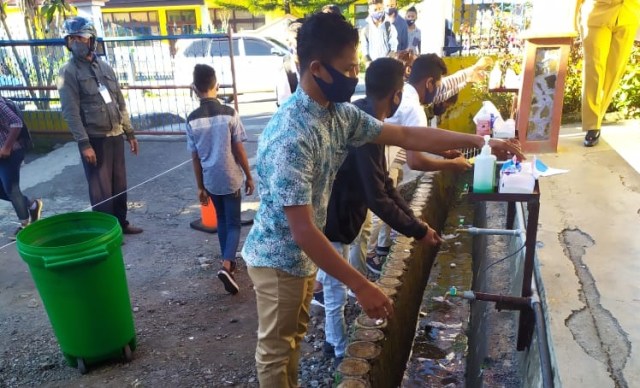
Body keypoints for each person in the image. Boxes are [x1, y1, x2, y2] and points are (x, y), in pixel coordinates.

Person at [241, 12, 522, 387]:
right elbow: (303, 231)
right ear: (317, 69)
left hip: (302, 256)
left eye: (357, 65)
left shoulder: (337, 115)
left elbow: (407, 136)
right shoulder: (292, 136)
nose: (355, 75)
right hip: (278, 258)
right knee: (277, 350)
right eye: (348, 67)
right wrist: (361, 283)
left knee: (293, 338)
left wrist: (482, 142)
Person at [318, 57, 442, 365]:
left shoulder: (365, 113)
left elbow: (384, 183)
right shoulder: (366, 124)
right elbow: (378, 198)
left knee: (334, 275)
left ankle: (334, 329)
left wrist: (416, 224)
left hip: (340, 213)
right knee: (334, 285)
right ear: (397, 94)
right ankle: (336, 345)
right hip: (334, 217)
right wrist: (418, 230)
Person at [363, 55, 492, 272]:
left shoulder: (404, 95)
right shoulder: (414, 109)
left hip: (383, 160)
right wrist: (451, 164)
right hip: (382, 160)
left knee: (382, 203)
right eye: (438, 86)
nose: (439, 92)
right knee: (373, 214)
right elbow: (415, 160)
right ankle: (366, 264)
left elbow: (412, 139)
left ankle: (377, 254)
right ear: (429, 83)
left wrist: (443, 150)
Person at [58, 16, 142, 234]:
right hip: (94, 138)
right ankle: (107, 233)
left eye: (81, 37)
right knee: (101, 191)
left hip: (115, 134)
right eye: (72, 38)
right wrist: (84, 143)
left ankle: (121, 224)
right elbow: (70, 112)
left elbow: (119, 101)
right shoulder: (68, 72)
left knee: (119, 185)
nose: (76, 42)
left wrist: (129, 132)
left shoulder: (104, 67)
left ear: (91, 40)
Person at [186, 64, 254, 295]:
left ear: (195, 89)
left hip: (210, 179)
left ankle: (228, 262)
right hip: (230, 176)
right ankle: (227, 264)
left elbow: (194, 158)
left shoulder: (191, 120)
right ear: (216, 85)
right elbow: (239, 150)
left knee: (222, 219)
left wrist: (200, 187)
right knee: (234, 222)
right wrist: (248, 175)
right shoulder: (229, 113)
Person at [575, 0, 639, 147]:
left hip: (628, 13)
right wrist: (571, 20)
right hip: (597, 12)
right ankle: (592, 125)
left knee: (614, 72)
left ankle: (596, 116)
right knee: (594, 70)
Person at [0, 97, 43, 240]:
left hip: (10, 152)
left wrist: (7, 147)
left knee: (12, 189)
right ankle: (32, 204)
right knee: (5, 190)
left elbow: (16, 123)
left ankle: (25, 225)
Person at [361, 0, 398, 66]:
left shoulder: (390, 27)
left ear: (383, 8)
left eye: (380, 9)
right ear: (369, 11)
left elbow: (393, 47)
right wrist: (369, 63)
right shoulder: (366, 30)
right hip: (372, 67)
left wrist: (387, 61)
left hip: (387, 65)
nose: (378, 11)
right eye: (375, 10)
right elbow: (364, 49)